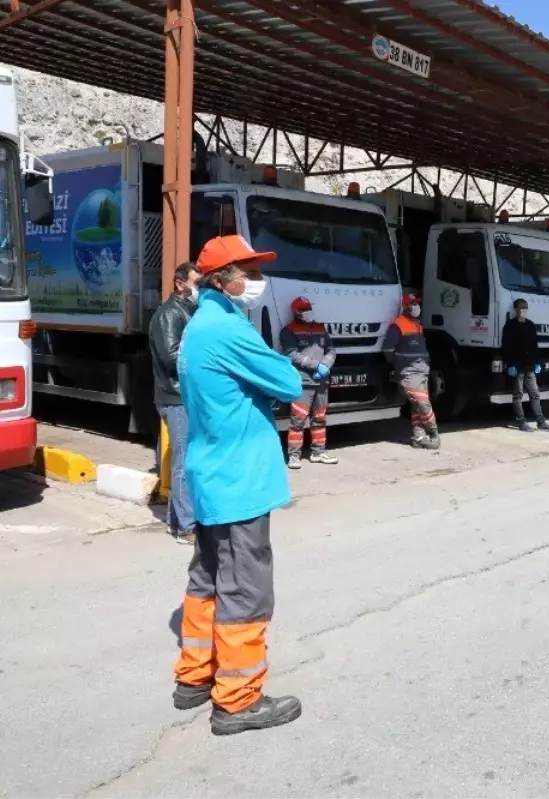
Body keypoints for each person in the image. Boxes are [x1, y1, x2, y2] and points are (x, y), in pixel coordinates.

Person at [173, 234, 304, 735]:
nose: (254, 280)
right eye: (246, 271)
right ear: (220, 279)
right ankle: (238, 699)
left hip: (211, 472)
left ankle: (193, 677)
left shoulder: (199, 325)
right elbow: (289, 382)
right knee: (246, 589)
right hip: (239, 478)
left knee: (206, 577)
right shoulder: (227, 329)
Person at [149, 262, 200, 545]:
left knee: (187, 459)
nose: (198, 289)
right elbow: (171, 358)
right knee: (184, 462)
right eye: (195, 283)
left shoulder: (189, 311)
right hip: (175, 396)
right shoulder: (169, 314)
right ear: (179, 284)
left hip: (186, 396)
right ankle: (186, 527)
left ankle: (177, 520)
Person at [280, 297, 337, 469]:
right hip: (303, 382)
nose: (308, 311)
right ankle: (294, 456)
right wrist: (316, 366)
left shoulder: (320, 328)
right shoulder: (288, 330)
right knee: (298, 420)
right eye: (304, 309)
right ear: (296, 312)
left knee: (319, 418)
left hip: (321, 381)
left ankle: (318, 453)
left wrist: (326, 365)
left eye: (309, 308)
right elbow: (292, 354)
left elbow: (331, 349)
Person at [383, 293, 440, 449]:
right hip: (409, 372)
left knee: (417, 406)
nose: (416, 306)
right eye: (412, 303)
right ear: (406, 306)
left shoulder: (417, 325)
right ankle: (433, 433)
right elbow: (387, 348)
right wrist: (398, 365)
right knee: (423, 403)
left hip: (422, 371)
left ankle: (419, 437)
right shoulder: (398, 324)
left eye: (417, 303)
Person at [501, 298, 549, 432]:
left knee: (535, 394)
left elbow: (534, 346)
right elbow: (506, 347)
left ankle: (541, 422)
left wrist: (537, 363)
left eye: (524, 308)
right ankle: (521, 422)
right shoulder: (510, 326)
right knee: (518, 395)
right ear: (515, 309)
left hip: (530, 366)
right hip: (517, 367)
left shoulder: (530, 325)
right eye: (520, 308)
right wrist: (510, 364)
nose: (522, 310)